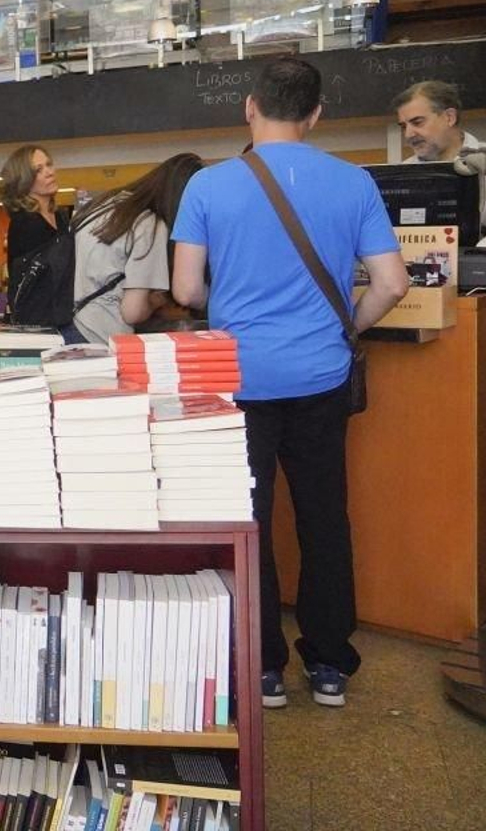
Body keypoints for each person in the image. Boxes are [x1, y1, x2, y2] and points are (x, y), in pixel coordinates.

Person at [170, 56, 408, 709]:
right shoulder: (355, 181)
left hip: (238, 377)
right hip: (320, 376)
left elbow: (186, 289)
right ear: (316, 114)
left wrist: (232, 304)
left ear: (250, 106)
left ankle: (263, 667)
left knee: (248, 518)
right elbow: (392, 283)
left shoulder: (208, 186)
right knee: (323, 513)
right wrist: (346, 326)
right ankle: (329, 664)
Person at [70, 153, 204, 344]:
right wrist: (156, 301)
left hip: (72, 327)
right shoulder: (149, 225)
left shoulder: (106, 205)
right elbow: (133, 311)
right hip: (103, 335)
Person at [393, 79, 486, 232]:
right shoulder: (399, 175)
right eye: (404, 127)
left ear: (449, 117)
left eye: (417, 122)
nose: (408, 134)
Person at [0, 143, 63, 274]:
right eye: (38, 170)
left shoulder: (60, 216)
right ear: (24, 180)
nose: (49, 173)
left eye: (49, 164)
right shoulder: (25, 224)